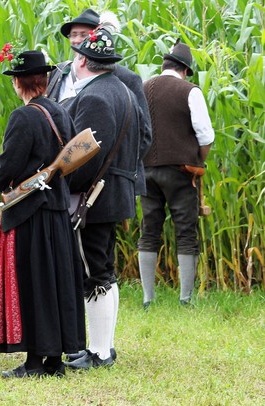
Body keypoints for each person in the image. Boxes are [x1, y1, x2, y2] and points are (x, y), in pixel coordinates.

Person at [48, 8, 152, 365]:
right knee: (101, 268)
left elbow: (84, 157)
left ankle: (100, 351)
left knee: (95, 272)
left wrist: (58, 183)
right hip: (112, 192)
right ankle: (101, 347)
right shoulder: (118, 89)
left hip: (94, 195)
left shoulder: (93, 96)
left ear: (84, 62)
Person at [0, 50, 85, 378]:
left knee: (32, 285)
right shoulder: (61, 112)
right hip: (57, 211)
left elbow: (7, 167)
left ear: (19, 83)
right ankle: (55, 361)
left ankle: (33, 363)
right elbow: (71, 162)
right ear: (43, 81)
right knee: (55, 285)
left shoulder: (23, 117)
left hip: (29, 212)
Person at [138, 41, 215, 307]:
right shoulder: (189, 91)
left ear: (165, 64)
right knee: (185, 231)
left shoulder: (142, 87)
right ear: (184, 69)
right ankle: (185, 299)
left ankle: (148, 298)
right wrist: (198, 163)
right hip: (181, 173)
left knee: (149, 231)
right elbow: (205, 135)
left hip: (145, 170)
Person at [47, 8, 152, 196]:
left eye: (84, 34)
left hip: (106, 184)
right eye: (74, 34)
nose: (77, 39)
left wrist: (114, 167)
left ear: (97, 36)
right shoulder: (57, 73)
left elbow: (142, 135)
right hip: (65, 179)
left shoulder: (126, 79)